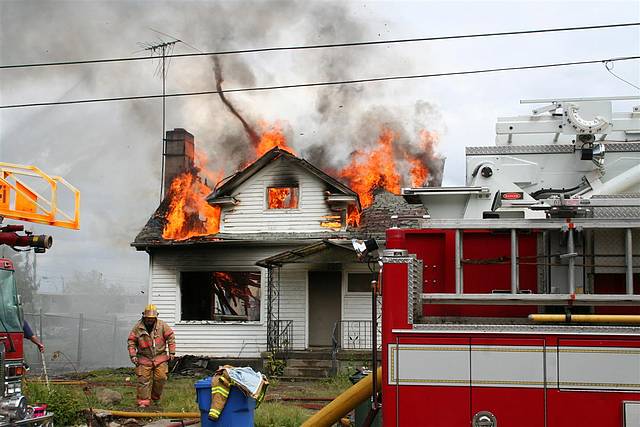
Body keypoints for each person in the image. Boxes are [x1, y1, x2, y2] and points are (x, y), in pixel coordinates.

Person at [127, 304, 176, 408]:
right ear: (144, 316)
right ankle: (143, 402)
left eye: (152, 318)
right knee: (143, 380)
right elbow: (131, 341)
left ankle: (155, 398)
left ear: (156, 317)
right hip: (144, 358)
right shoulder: (137, 328)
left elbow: (171, 337)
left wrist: (172, 352)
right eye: (148, 318)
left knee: (161, 378)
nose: (150, 320)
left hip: (160, 357)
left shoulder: (162, 325)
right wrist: (133, 355)